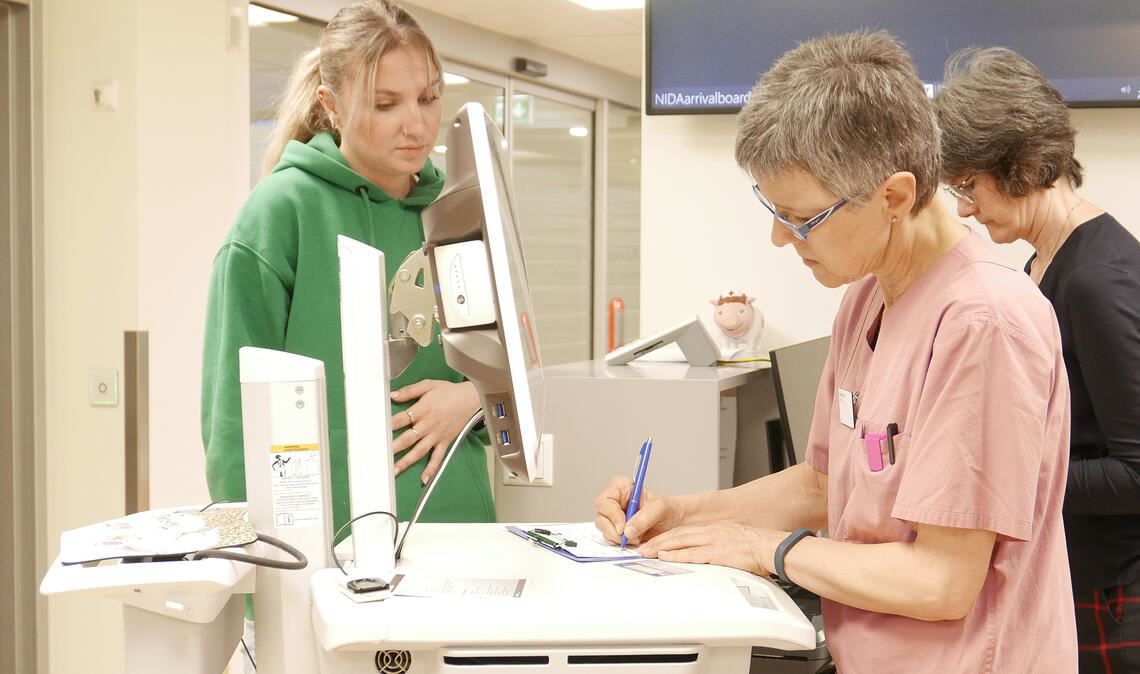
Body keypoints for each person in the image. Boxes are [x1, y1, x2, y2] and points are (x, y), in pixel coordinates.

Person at [594, 32, 1077, 672]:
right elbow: (826, 484)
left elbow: (941, 581)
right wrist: (681, 515)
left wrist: (766, 550)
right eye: (774, 209)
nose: (777, 237)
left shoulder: (983, 322)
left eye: (800, 218)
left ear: (895, 196)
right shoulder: (869, 296)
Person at [202, 0, 496, 535]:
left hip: (459, 528)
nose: (417, 124)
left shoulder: (457, 211)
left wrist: (471, 398)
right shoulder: (280, 213)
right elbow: (233, 422)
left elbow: (509, 373)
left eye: (429, 98)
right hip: (326, 544)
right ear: (331, 105)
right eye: (386, 104)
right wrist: (257, 583)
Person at [936, 47, 1140, 673]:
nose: (963, 208)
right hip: (1072, 570)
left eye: (969, 185)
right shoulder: (1044, 261)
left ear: (1025, 164)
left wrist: (1004, 483)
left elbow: (1137, 471)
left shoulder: (1096, 279)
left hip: (1112, 595)